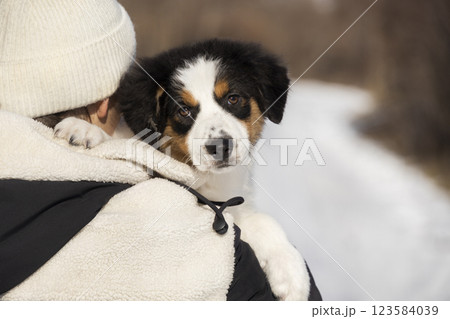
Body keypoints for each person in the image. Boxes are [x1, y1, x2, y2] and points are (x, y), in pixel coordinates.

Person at [0, 0, 321, 300]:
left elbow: (236, 213)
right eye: (185, 111)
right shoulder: (162, 213)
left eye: (232, 100)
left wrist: (271, 238)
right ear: (104, 103)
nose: (217, 136)